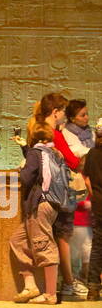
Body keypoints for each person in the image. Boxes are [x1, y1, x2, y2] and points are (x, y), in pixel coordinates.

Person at [24, 92, 87, 299]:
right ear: (55, 112)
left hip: (43, 194)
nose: (65, 117)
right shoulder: (54, 134)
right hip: (59, 194)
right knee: (62, 238)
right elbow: (72, 162)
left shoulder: (36, 128)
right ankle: (67, 283)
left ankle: (51, 284)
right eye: (62, 112)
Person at [11, 125, 71, 304]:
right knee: (17, 240)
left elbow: (28, 177)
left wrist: (21, 170)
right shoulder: (53, 152)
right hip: (52, 204)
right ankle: (31, 286)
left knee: (43, 245)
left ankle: (50, 295)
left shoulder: (35, 153)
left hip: (40, 204)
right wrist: (25, 150)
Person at [62, 99, 93, 288]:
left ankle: (84, 276)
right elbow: (77, 154)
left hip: (88, 179)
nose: (86, 117)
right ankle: (72, 278)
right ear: (73, 118)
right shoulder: (68, 133)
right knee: (78, 241)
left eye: (87, 113)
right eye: (82, 115)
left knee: (87, 240)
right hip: (77, 183)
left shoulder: (88, 132)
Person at [82, 118, 102, 301]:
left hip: (98, 205)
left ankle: (93, 289)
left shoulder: (92, 153)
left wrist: (94, 195)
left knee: (97, 247)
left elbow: (86, 179)